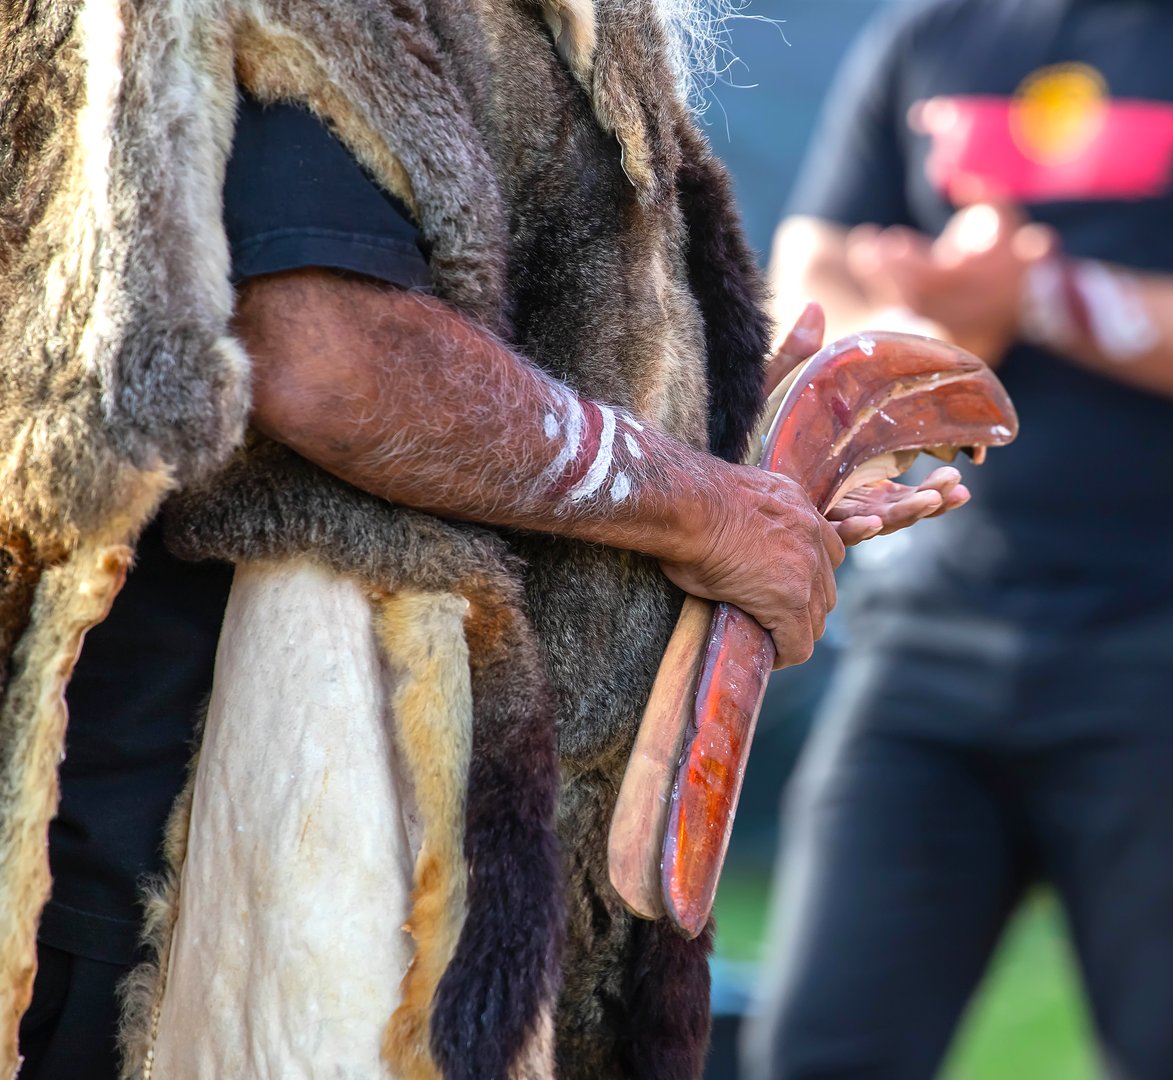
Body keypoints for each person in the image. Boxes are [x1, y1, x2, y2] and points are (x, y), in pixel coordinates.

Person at [3, 7, 968, 1077]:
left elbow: (508, 327)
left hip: (463, 852)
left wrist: (735, 462)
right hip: (206, 845)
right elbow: (326, 355)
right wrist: (702, 507)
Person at [747, 1, 1173, 1077]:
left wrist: (1037, 300)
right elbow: (810, 293)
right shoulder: (931, 31)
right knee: (820, 1046)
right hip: (928, 649)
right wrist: (959, 333)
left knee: (1170, 1051)